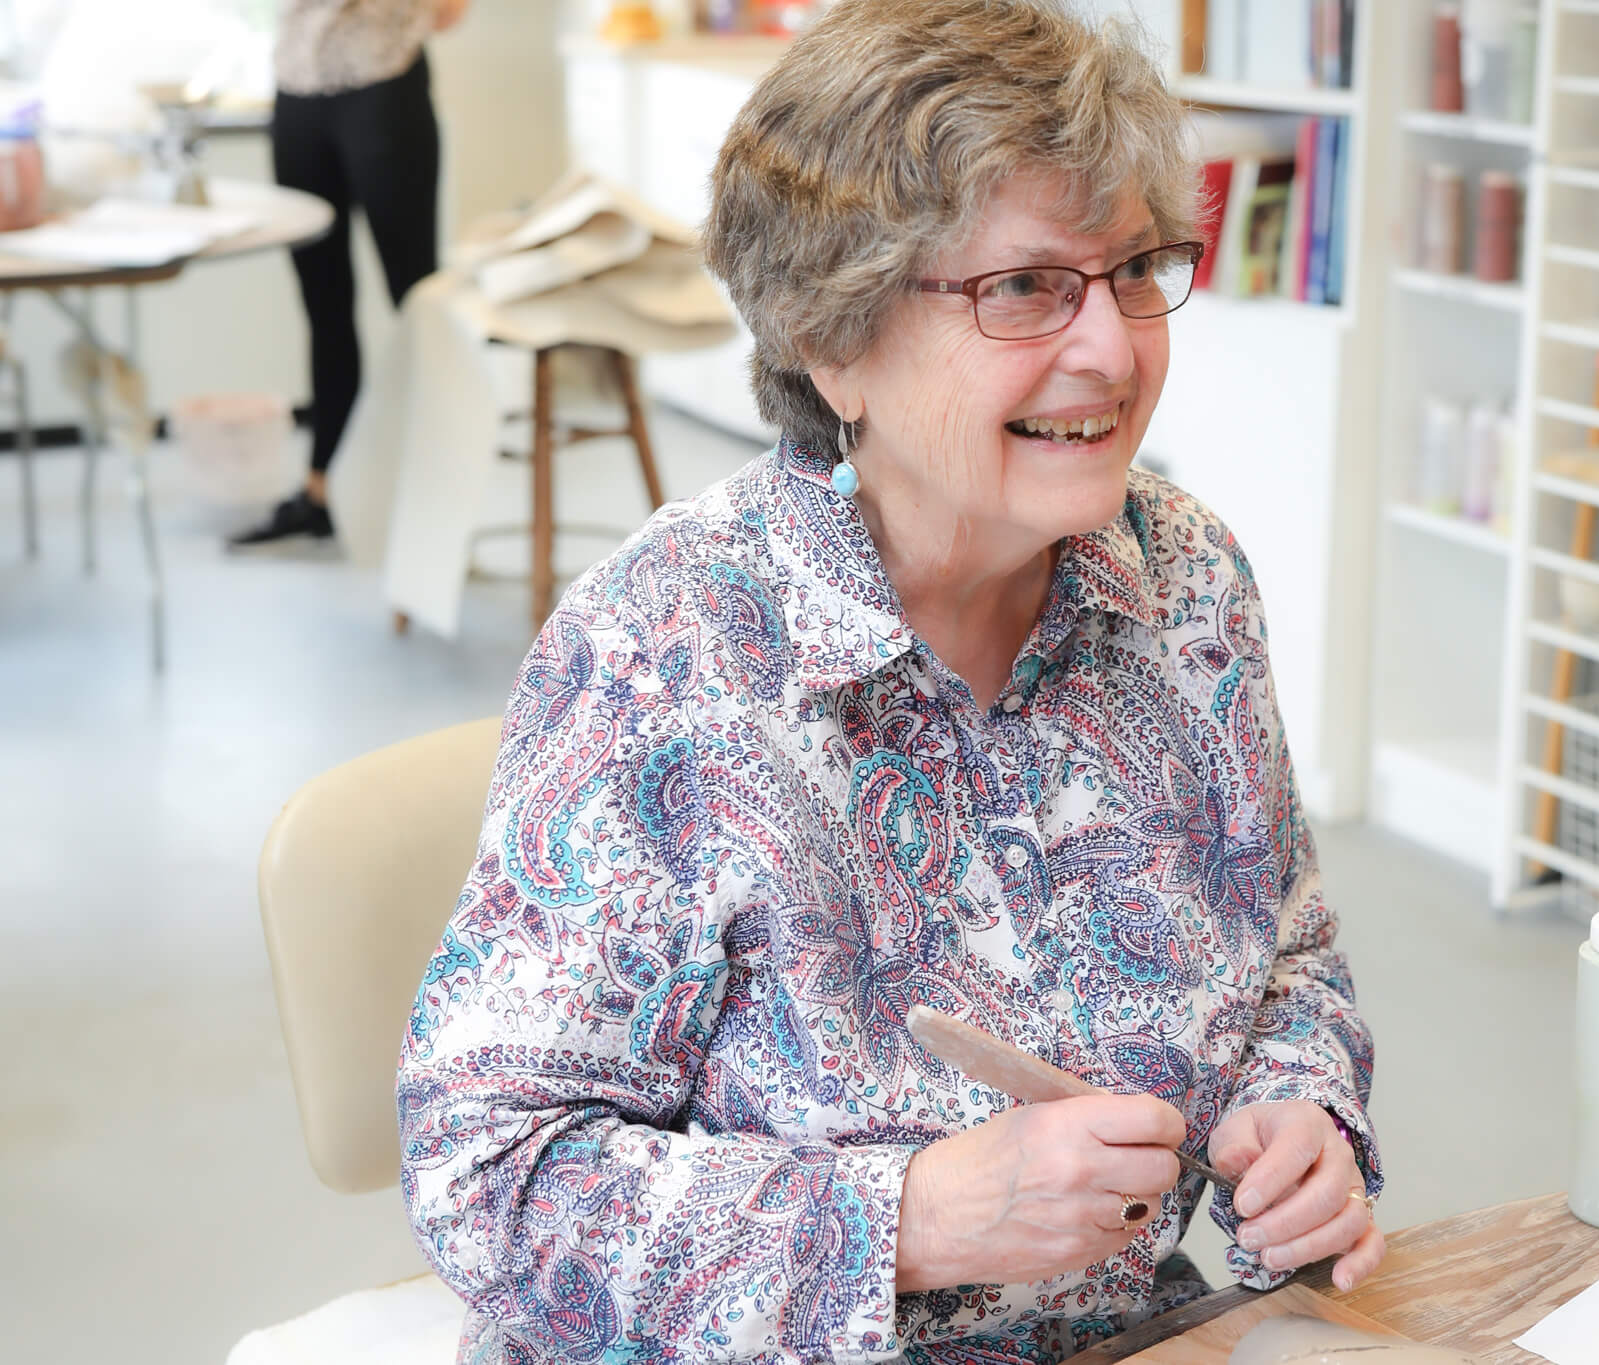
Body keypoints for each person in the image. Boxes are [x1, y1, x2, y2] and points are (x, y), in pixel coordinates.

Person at [396, 2, 1384, 1360]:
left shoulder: (1191, 587)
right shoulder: (664, 652)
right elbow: (489, 1176)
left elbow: (1289, 962)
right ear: (832, 337)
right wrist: (913, 1215)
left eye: (1137, 268)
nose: (1114, 347)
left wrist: (1299, 1115)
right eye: (1025, 287)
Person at [229, 0, 467, 547]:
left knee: (416, 303)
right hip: (297, 90)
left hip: (382, 81)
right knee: (324, 307)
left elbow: (451, 11)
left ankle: (433, 505)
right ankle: (321, 494)